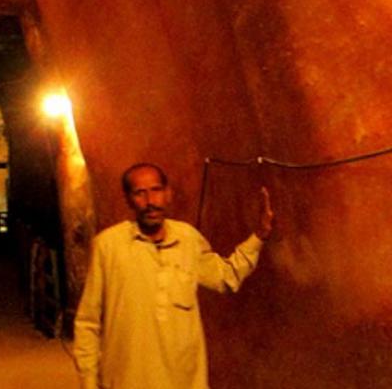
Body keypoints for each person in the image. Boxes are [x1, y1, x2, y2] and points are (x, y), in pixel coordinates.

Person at [73, 162, 274, 389]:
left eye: (156, 190)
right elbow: (88, 322)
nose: (150, 202)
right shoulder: (108, 247)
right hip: (126, 381)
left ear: (168, 194)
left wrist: (259, 236)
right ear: (128, 200)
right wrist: (89, 383)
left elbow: (226, 277)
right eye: (140, 193)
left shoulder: (188, 240)